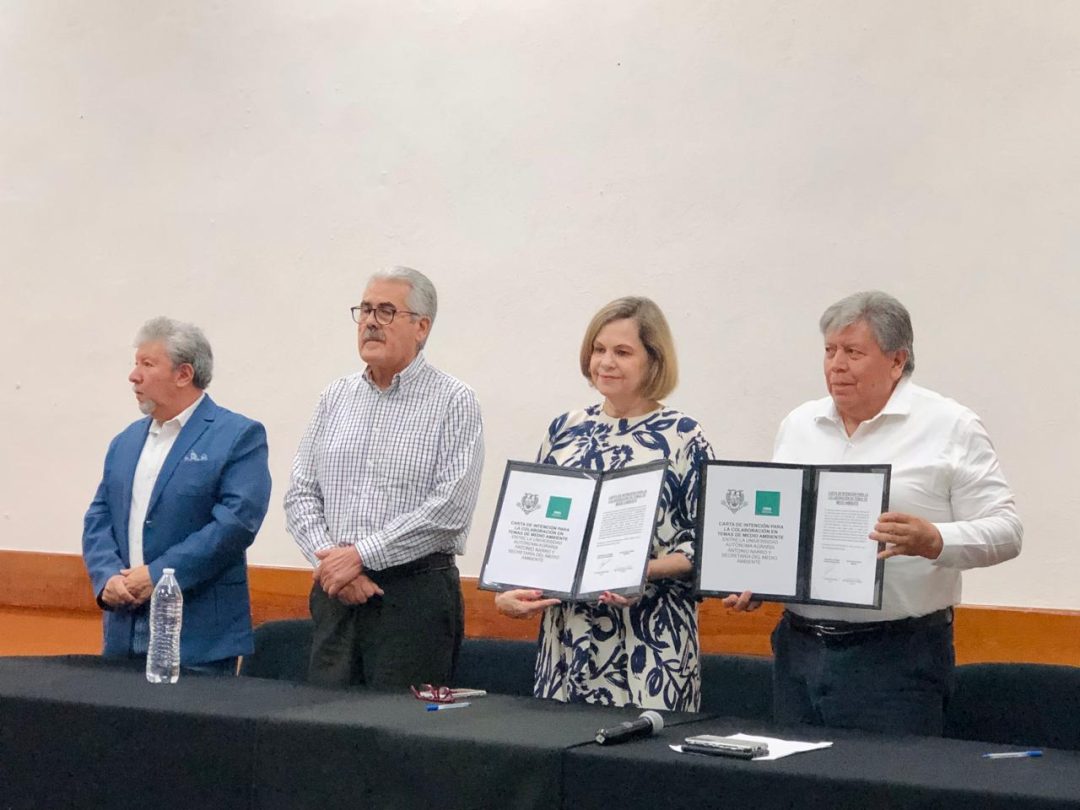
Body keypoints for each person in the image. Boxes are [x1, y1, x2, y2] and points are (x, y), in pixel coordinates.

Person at [726, 290, 1022, 735]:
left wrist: (934, 539)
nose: (836, 365)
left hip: (897, 657)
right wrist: (760, 576)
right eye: (829, 350)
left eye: (853, 352)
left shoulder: (950, 426)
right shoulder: (799, 425)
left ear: (897, 361)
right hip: (799, 651)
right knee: (795, 776)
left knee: (888, 777)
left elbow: (1007, 531)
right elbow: (786, 530)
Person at [495, 297, 712, 711]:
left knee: (645, 751)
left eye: (623, 352)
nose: (606, 362)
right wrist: (508, 590)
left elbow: (704, 544)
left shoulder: (684, 436)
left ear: (654, 360)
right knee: (561, 746)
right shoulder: (565, 430)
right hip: (569, 636)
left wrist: (640, 571)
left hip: (650, 641)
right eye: (599, 349)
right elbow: (535, 529)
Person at [285, 266, 484, 689]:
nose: (371, 322)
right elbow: (300, 494)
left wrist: (360, 555)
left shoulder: (454, 400)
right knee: (321, 721)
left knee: (398, 727)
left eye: (387, 311)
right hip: (336, 595)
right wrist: (333, 563)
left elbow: (449, 510)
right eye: (365, 310)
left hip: (413, 598)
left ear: (422, 327)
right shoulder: (335, 397)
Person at [82, 317, 272, 674]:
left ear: (184, 374)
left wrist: (159, 575)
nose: (133, 376)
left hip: (199, 638)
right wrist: (106, 576)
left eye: (147, 364)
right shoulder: (125, 441)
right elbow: (99, 516)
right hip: (123, 631)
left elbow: (235, 524)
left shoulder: (237, 435)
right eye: (135, 363)